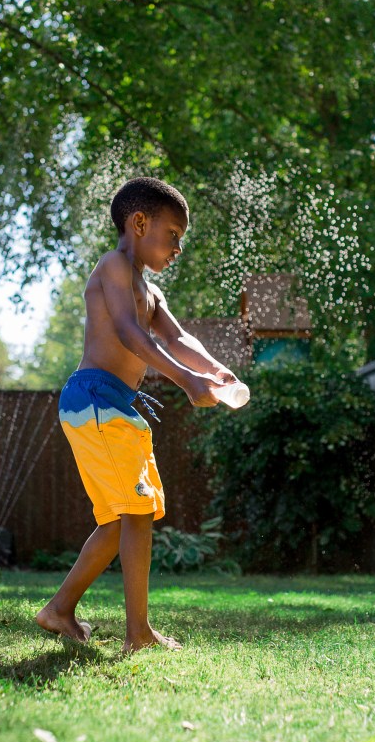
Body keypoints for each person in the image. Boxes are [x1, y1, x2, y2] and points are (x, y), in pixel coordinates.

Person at [35, 177, 236, 653]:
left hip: (115, 407)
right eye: (173, 234)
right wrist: (187, 382)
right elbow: (128, 334)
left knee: (121, 518)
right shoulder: (113, 267)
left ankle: (59, 611)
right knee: (137, 512)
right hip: (96, 399)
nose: (178, 247)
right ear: (140, 223)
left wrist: (214, 370)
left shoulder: (151, 290)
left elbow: (179, 339)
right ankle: (138, 633)